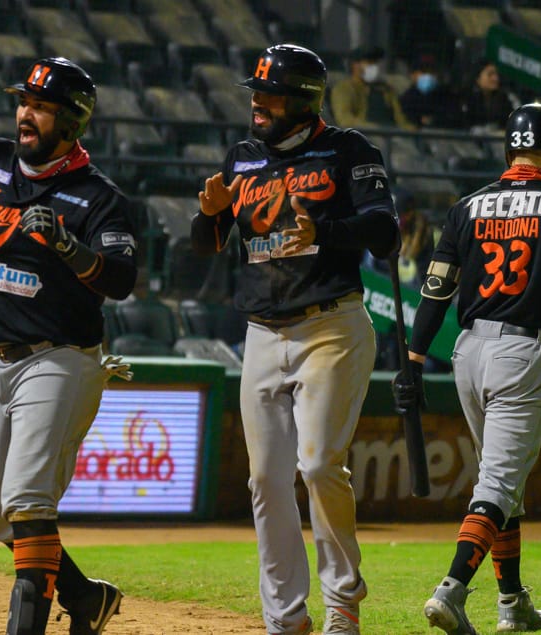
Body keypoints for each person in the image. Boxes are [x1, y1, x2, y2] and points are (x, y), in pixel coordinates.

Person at [0, 57, 137, 635]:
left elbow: (119, 278)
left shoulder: (96, 196)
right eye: (23, 101)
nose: (25, 113)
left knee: (28, 499)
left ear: (71, 122)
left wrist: (68, 246)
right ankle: (85, 599)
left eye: (40, 106)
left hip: (60, 358)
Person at [192, 44, 399, 635]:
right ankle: (284, 617)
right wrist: (208, 215)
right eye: (255, 91)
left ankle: (342, 604)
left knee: (317, 465)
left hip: (330, 325)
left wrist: (328, 229)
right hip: (261, 331)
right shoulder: (242, 158)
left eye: (271, 94)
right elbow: (207, 243)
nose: (257, 102)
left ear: (304, 101)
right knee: (264, 479)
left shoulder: (348, 149)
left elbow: (385, 230)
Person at [393, 103, 541, 635]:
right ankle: (452, 590)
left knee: (501, 479)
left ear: (507, 150)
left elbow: (437, 287)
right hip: (523, 353)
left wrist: (413, 360)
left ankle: (512, 602)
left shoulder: (467, 206)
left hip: (467, 352)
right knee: (498, 483)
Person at [329, 46, 414, 130]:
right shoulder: (344, 88)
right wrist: (373, 128)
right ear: (355, 65)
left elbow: (400, 118)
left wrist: (412, 131)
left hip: (391, 135)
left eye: (376, 62)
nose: (374, 67)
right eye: (369, 62)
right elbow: (345, 119)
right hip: (366, 135)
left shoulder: (386, 89)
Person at [456, 60, 521, 132]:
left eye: (496, 75)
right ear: (478, 78)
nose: (496, 79)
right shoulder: (466, 98)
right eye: (490, 74)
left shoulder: (506, 97)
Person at [400, 54, 455, 128]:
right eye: (424, 72)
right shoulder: (406, 99)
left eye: (432, 72)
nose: (428, 76)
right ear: (412, 75)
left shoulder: (446, 97)